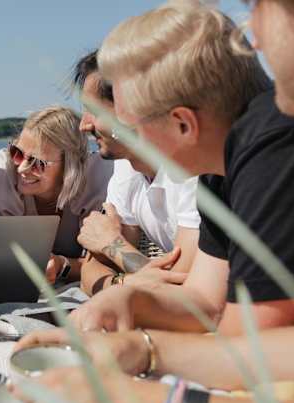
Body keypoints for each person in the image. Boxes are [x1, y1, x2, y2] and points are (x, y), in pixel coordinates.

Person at [13, 1, 294, 403]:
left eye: (130, 127)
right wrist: (138, 331)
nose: (253, 38)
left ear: (183, 124)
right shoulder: (225, 167)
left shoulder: (277, 140)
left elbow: (249, 337)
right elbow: (207, 301)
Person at [72, 50, 200, 295]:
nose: (84, 125)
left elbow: (183, 291)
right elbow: (89, 275)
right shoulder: (126, 166)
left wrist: (112, 244)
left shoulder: (193, 171)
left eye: (94, 111)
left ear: (130, 111)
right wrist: (124, 283)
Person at [0, 106, 113, 284]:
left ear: (70, 165)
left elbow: (103, 265)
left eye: (37, 162)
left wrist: (62, 266)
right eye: (17, 153)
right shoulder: (4, 170)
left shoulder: (95, 175)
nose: (22, 168)